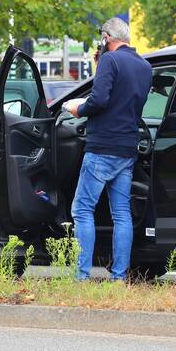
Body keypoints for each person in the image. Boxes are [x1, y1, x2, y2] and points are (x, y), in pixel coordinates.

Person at [66, 17, 152, 281]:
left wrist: (78, 109)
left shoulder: (109, 60)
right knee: (122, 214)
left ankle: (81, 276)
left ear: (106, 38)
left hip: (103, 146)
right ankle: (118, 277)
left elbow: (100, 99)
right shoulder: (144, 66)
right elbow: (123, 99)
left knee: (82, 210)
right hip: (128, 147)